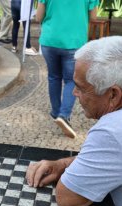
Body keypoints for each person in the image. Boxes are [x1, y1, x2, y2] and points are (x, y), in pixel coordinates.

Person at [26, 36, 122, 206]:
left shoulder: (112, 129)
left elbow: (68, 197)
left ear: (113, 94)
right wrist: (64, 163)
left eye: (80, 87)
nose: (74, 93)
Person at [36, 0, 99, 138]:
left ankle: (56, 111)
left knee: (54, 77)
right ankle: (64, 115)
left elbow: (38, 16)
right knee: (71, 80)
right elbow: (94, 17)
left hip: (50, 39)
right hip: (74, 41)